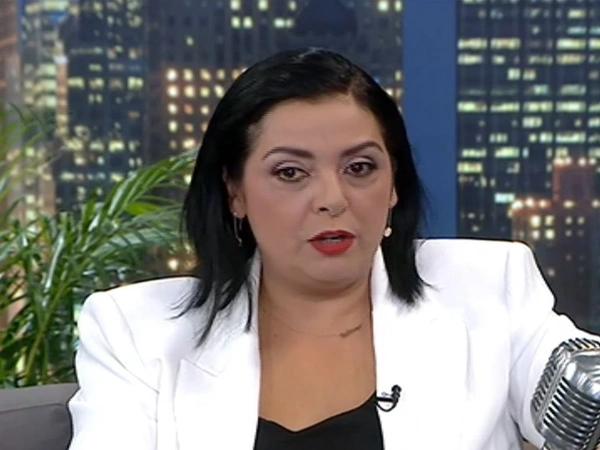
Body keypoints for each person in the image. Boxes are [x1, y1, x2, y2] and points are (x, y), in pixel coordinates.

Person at [67, 48, 590, 450]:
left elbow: (583, 385)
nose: (332, 199)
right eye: (290, 172)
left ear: (394, 184)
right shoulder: (135, 331)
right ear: (235, 191)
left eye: (360, 168)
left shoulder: (489, 286)